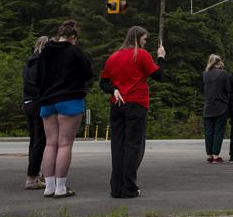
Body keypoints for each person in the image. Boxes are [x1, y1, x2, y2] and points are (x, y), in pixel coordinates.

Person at [99, 26, 167, 198]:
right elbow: (159, 76)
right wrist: (161, 58)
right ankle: (129, 187)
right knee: (134, 146)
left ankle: (116, 187)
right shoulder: (141, 55)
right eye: (144, 39)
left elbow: (103, 82)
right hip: (136, 103)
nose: (145, 42)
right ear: (137, 39)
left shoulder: (113, 57)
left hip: (117, 105)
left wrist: (113, 89)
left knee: (118, 146)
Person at [36, 20, 93, 198]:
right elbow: (88, 73)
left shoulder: (45, 51)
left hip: (47, 100)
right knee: (65, 144)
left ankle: (48, 186)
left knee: (50, 143)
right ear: (73, 36)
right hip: (69, 99)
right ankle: (61, 187)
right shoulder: (74, 51)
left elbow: (38, 76)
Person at [22, 36, 50, 190]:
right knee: (41, 140)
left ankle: (33, 173)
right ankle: (32, 177)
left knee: (34, 140)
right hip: (39, 102)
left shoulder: (29, 61)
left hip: (27, 102)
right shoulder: (42, 62)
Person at [203, 54, 231, 163]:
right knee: (218, 131)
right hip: (220, 106)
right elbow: (228, 89)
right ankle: (216, 155)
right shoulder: (223, 73)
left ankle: (209, 155)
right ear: (219, 62)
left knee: (209, 131)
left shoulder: (205, 74)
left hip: (208, 106)